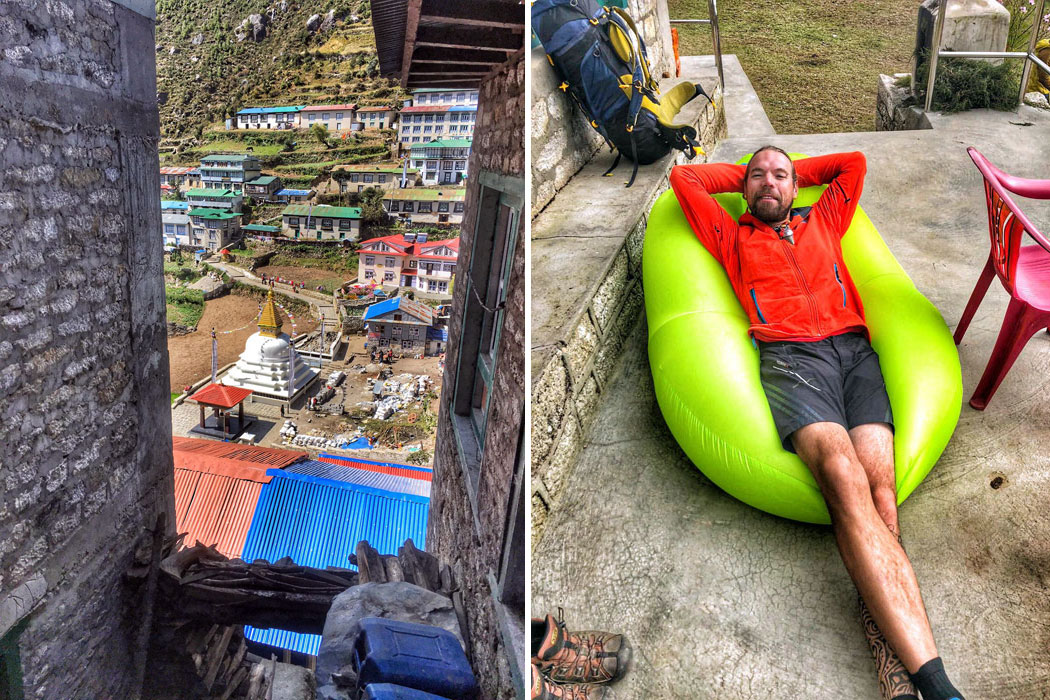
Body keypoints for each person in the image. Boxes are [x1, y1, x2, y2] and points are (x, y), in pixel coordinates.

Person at [670, 147, 964, 700]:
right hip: (792, 360)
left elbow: (853, 161)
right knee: (842, 475)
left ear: (797, 186)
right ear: (742, 188)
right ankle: (938, 684)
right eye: (757, 176)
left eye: (781, 176)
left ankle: (890, 648)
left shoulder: (824, 216)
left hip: (855, 352)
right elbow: (684, 176)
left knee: (882, 489)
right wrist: (750, 175)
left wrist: (790, 171)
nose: (768, 183)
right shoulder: (730, 235)